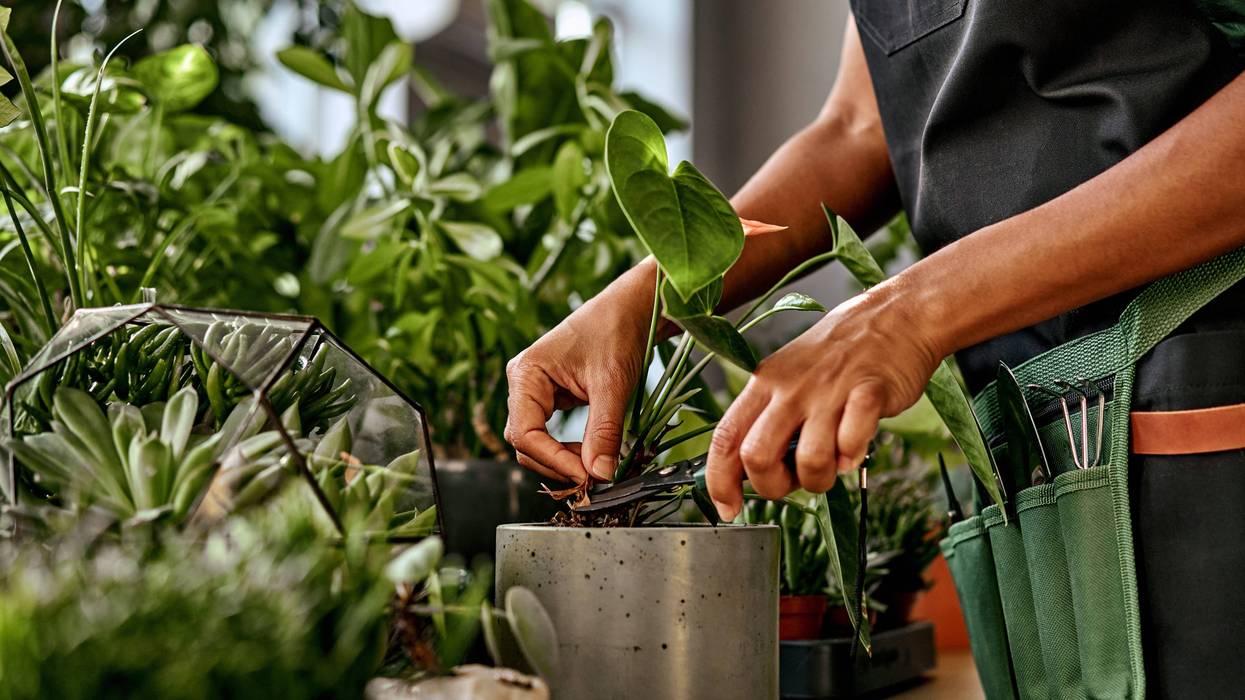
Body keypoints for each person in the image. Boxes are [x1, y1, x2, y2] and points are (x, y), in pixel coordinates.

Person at [505, 4, 1245, 696]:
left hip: (1204, 402)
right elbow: (859, 128)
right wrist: (641, 301)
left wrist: (909, 313)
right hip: (1038, 429)